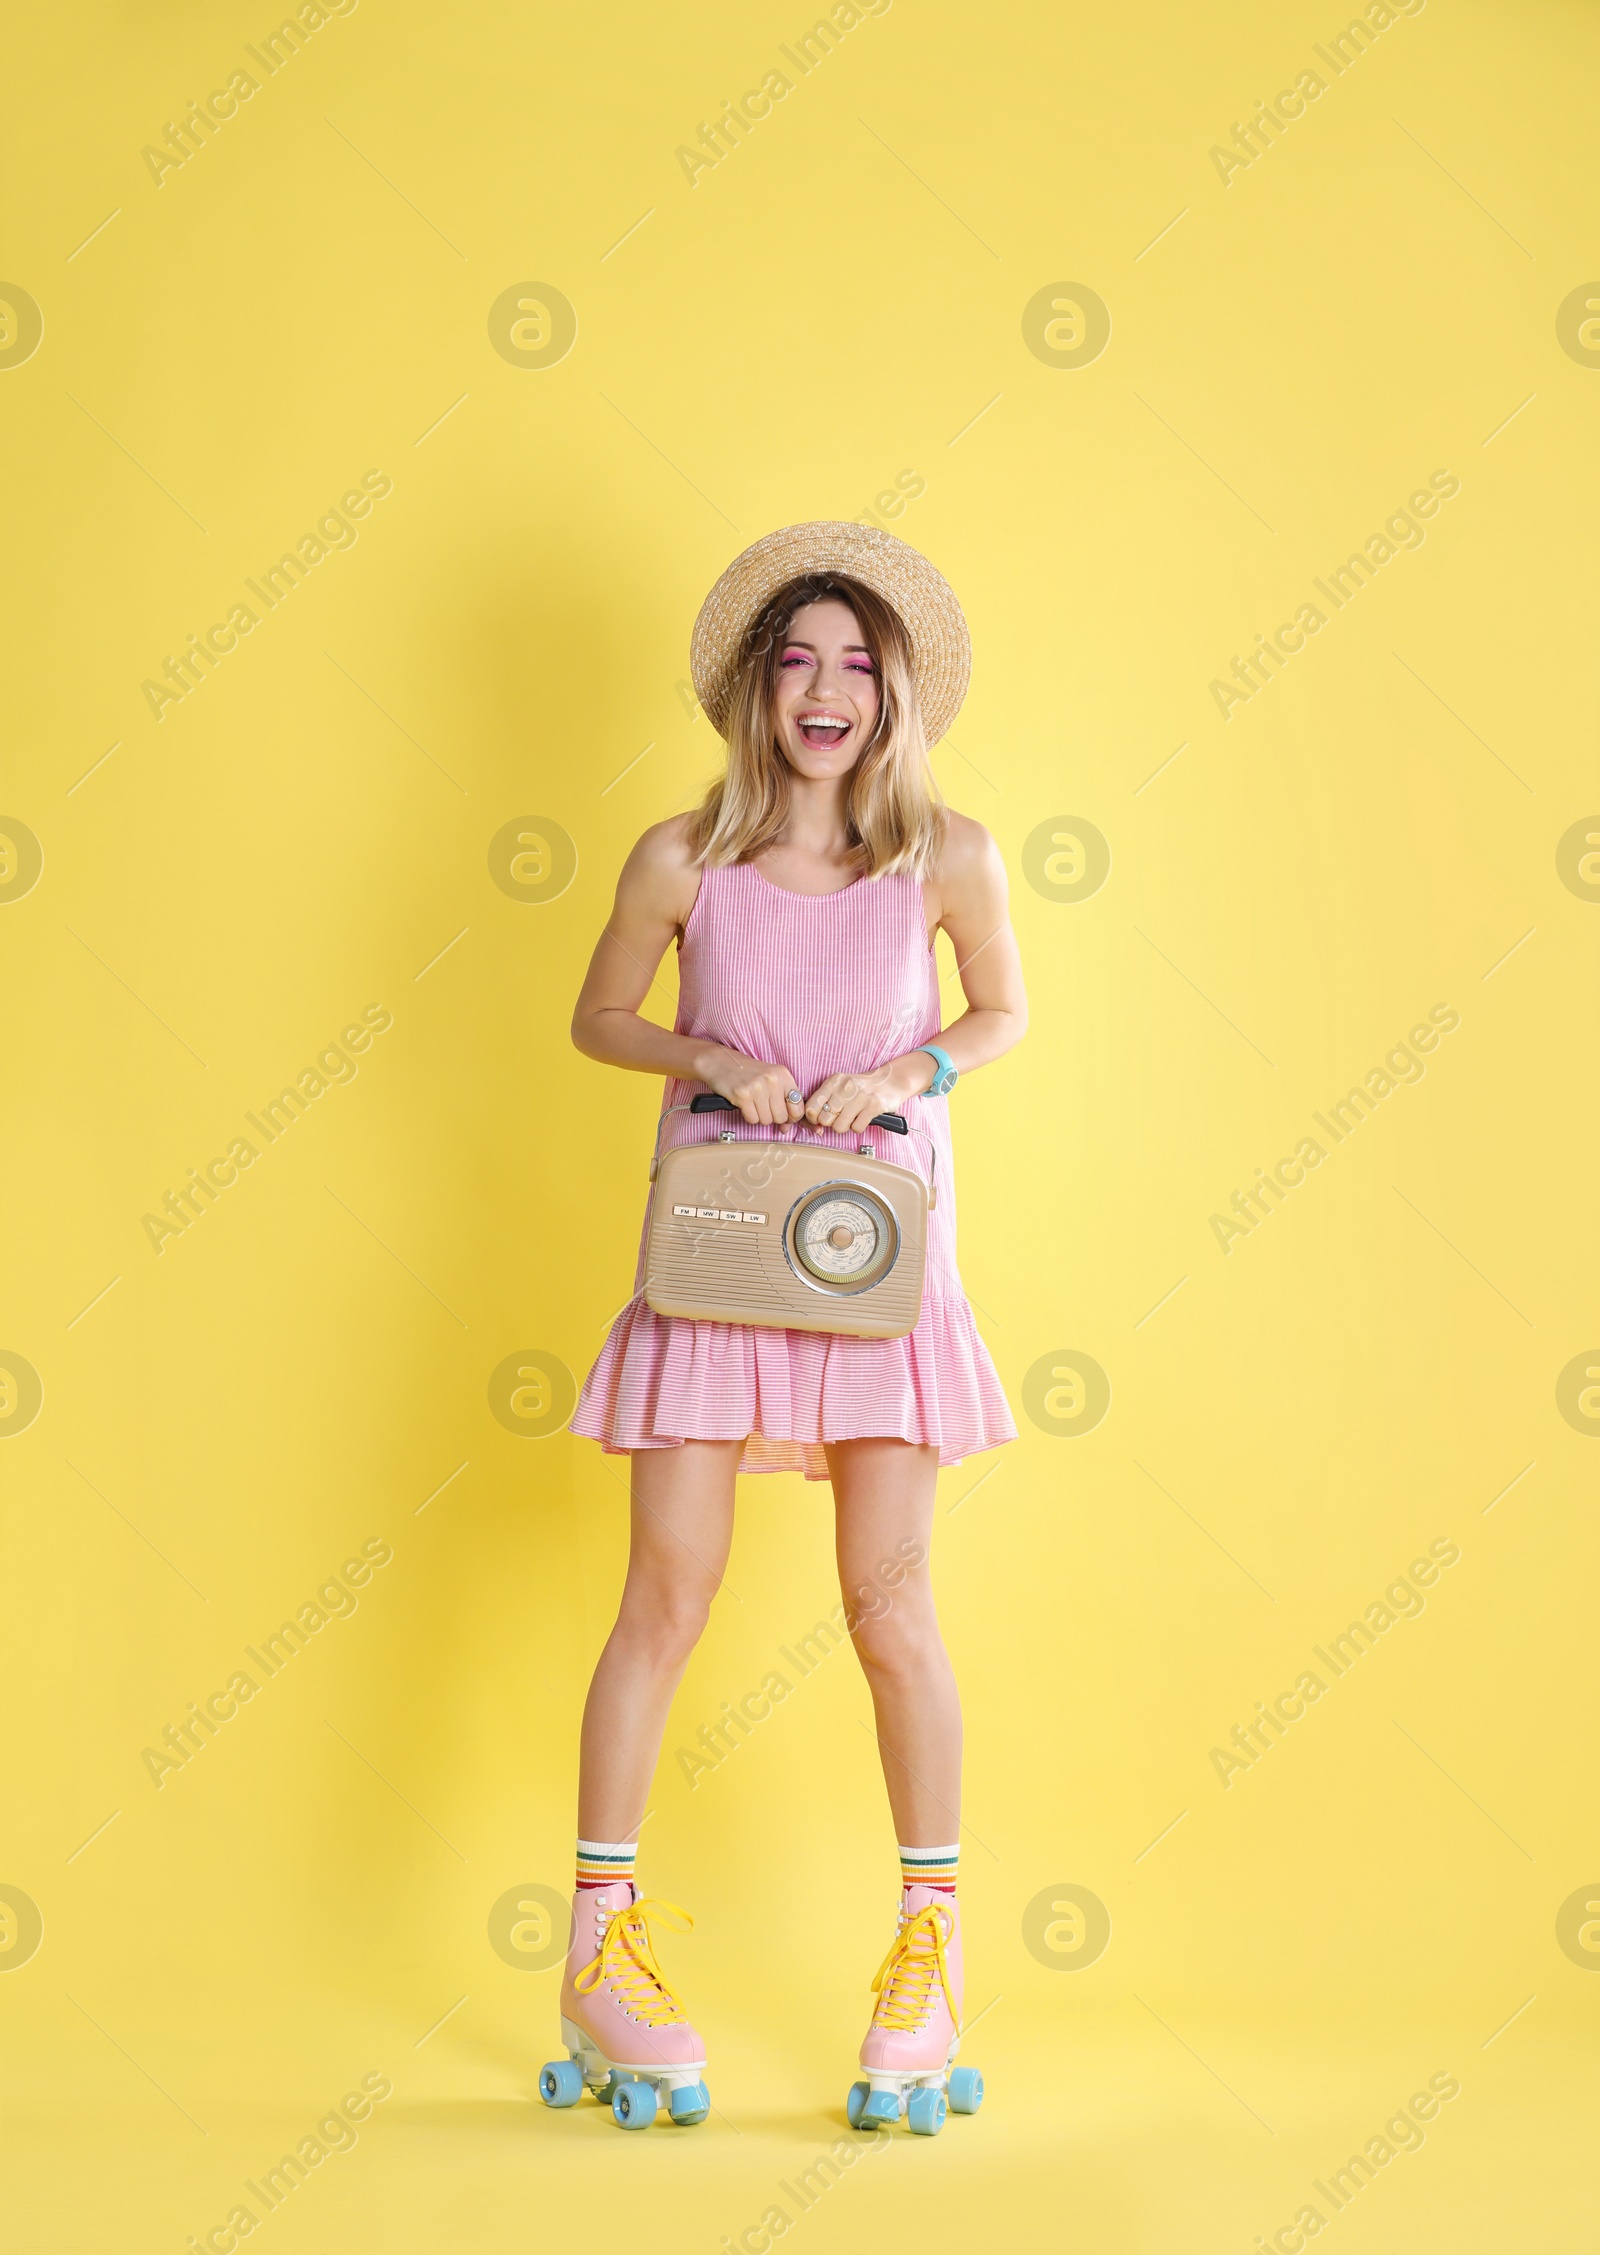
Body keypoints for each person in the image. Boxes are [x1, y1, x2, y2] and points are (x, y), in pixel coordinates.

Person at [546, 522, 1027, 2134]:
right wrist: (703, 1058)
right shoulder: (680, 859)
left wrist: (914, 1069)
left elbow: (1004, 1007)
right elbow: (597, 1015)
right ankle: (598, 1950)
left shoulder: (949, 854)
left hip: (882, 1268)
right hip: (718, 1255)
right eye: (795, 659)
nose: (825, 688)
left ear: (895, 694)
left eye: (854, 663)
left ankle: (934, 1953)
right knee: (663, 1600)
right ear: (756, 690)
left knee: (892, 1611)